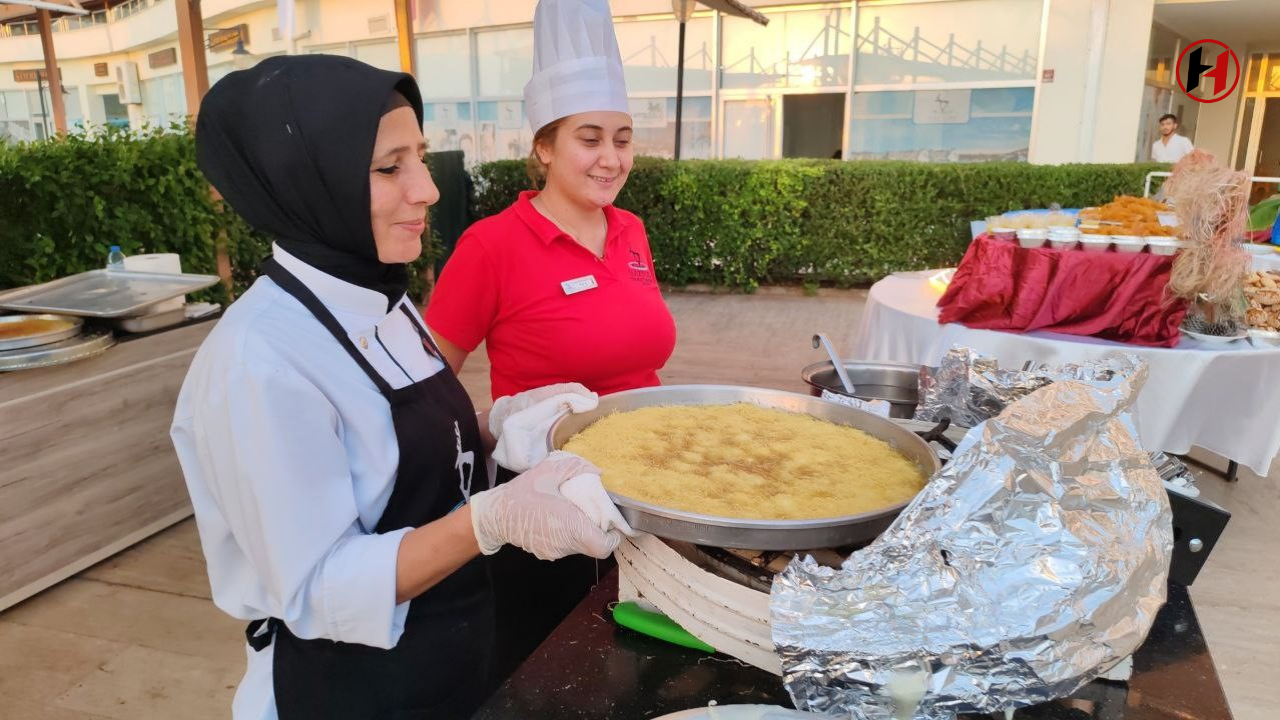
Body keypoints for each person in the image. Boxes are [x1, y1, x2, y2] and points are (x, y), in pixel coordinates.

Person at [172, 55, 630, 720]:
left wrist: (499, 425)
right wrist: (488, 520)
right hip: (351, 688)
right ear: (308, 181)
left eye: (421, 156)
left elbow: (394, 453)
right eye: (390, 167)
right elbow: (318, 586)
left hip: (452, 655)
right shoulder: (258, 362)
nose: (427, 189)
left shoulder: (380, 297)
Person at [424, 0, 677, 682]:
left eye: (622, 138)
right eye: (588, 138)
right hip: (548, 501)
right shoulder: (491, 246)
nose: (610, 158)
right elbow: (427, 381)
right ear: (543, 146)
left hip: (651, 484)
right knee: (554, 675)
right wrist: (478, 434)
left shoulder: (631, 231)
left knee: (646, 666)